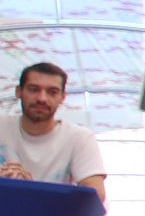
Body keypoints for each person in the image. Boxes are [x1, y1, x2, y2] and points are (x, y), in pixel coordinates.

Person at [1, 62, 107, 201]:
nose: (42, 98)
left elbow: (95, 195)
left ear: (63, 97)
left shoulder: (79, 137)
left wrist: (28, 188)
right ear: (18, 91)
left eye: (52, 92)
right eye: (34, 89)